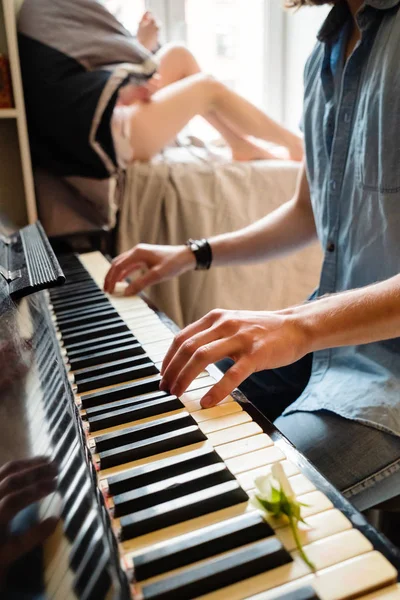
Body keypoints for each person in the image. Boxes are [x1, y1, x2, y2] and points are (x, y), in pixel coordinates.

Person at [104, 0, 400, 511]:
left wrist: (297, 324)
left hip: (387, 380)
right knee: (167, 407)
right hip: (330, 351)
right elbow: (307, 212)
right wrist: (193, 253)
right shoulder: (324, 53)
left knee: (233, 504)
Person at [17, 0, 302, 183]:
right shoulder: (51, 6)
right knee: (207, 88)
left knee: (178, 54)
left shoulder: (43, 10)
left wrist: (125, 85)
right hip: (97, 135)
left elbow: (82, 71)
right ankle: (296, 144)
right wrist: (142, 45)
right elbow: (68, 90)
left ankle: (240, 145)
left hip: (95, 114)